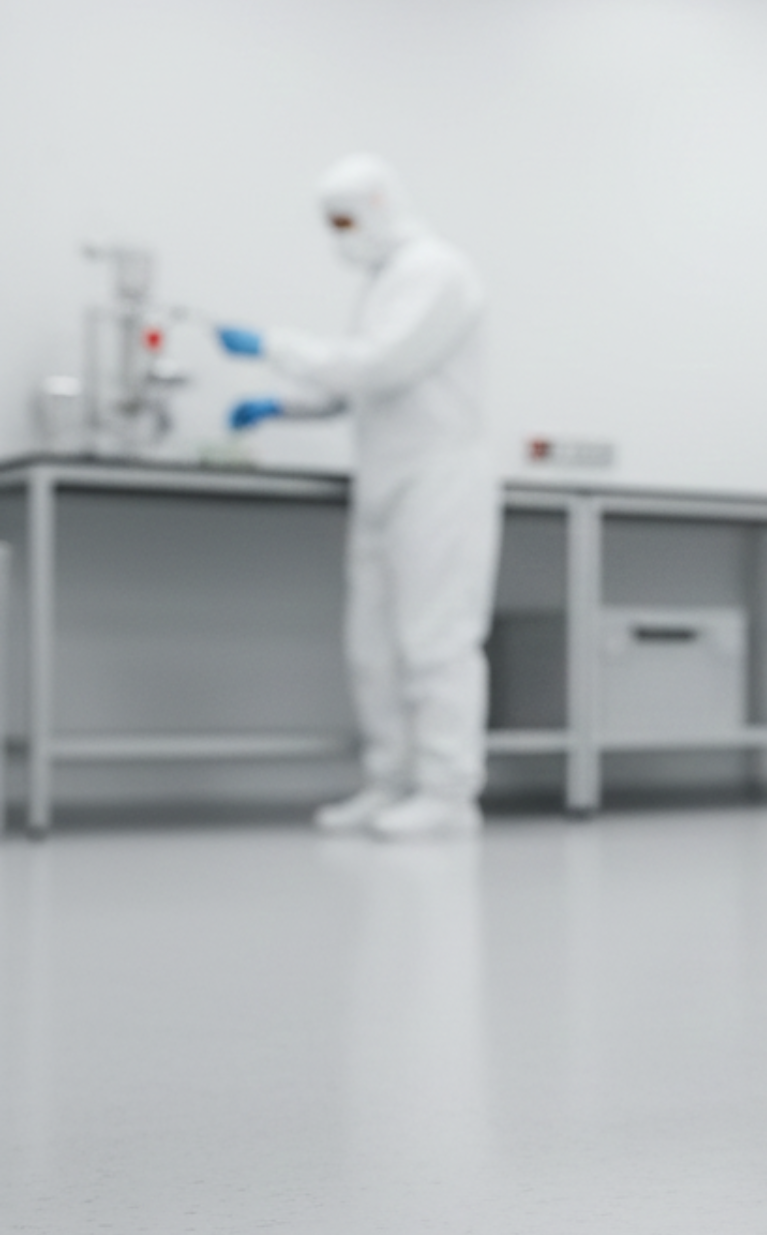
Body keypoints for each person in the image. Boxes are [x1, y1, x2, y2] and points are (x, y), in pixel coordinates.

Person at [218, 153, 498, 839]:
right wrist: (277, 406)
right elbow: (358, 384)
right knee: (373, 645)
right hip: (384, 481)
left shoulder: (437, 270)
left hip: (439, 478)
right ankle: (390, 781)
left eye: (345, 217)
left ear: (378, 204)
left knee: (435, 640)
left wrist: (273, 345)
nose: (340, 232)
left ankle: (447, 793)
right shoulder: (383, 283)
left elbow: (380, 363)